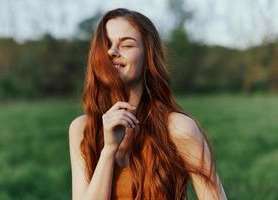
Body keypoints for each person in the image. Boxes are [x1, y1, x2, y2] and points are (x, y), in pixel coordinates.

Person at [69, 8, 227, 200]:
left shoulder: (178, 128)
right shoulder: (82, 129)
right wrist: (109, 150)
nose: (112, 51)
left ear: (148, 57)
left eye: (126, 45)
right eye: (106, 45)